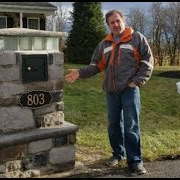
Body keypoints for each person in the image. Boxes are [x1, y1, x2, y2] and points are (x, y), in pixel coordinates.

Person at [64, 9, 154, 175]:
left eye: (118, 21)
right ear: (108, 25)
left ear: (123, 20)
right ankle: (117, 154)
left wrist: (136, 82)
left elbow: (147, 62)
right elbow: (96, 65)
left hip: (129, 90)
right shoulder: (104, 44)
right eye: (112, 22)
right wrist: (79, 73)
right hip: (111, 91)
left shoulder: (137, 38)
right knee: (113, 125)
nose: (116, 25)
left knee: (131, 125)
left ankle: (135, 161)